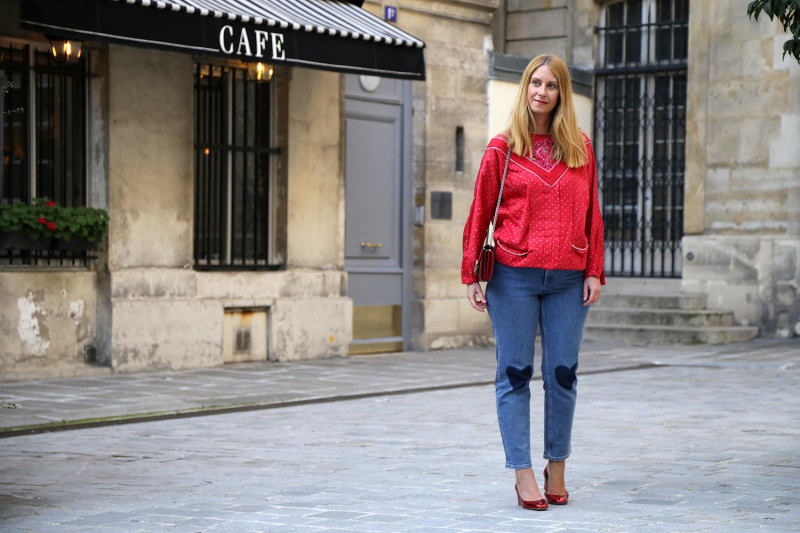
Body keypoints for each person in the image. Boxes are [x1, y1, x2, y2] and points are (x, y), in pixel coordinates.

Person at [461, 54, 604, 511]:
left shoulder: (581, 149)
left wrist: (595, 269)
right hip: (512, 278)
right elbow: (479, 212)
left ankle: (556, 466)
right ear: (525, 88)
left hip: (568, 278)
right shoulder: (501, 149)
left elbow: (592, 215)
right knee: (515, 373)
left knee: (563, 374)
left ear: (562, 93)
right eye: (535, 83)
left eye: (552, 85)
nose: (542, 92)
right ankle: (523, 474)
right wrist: (471, 273)